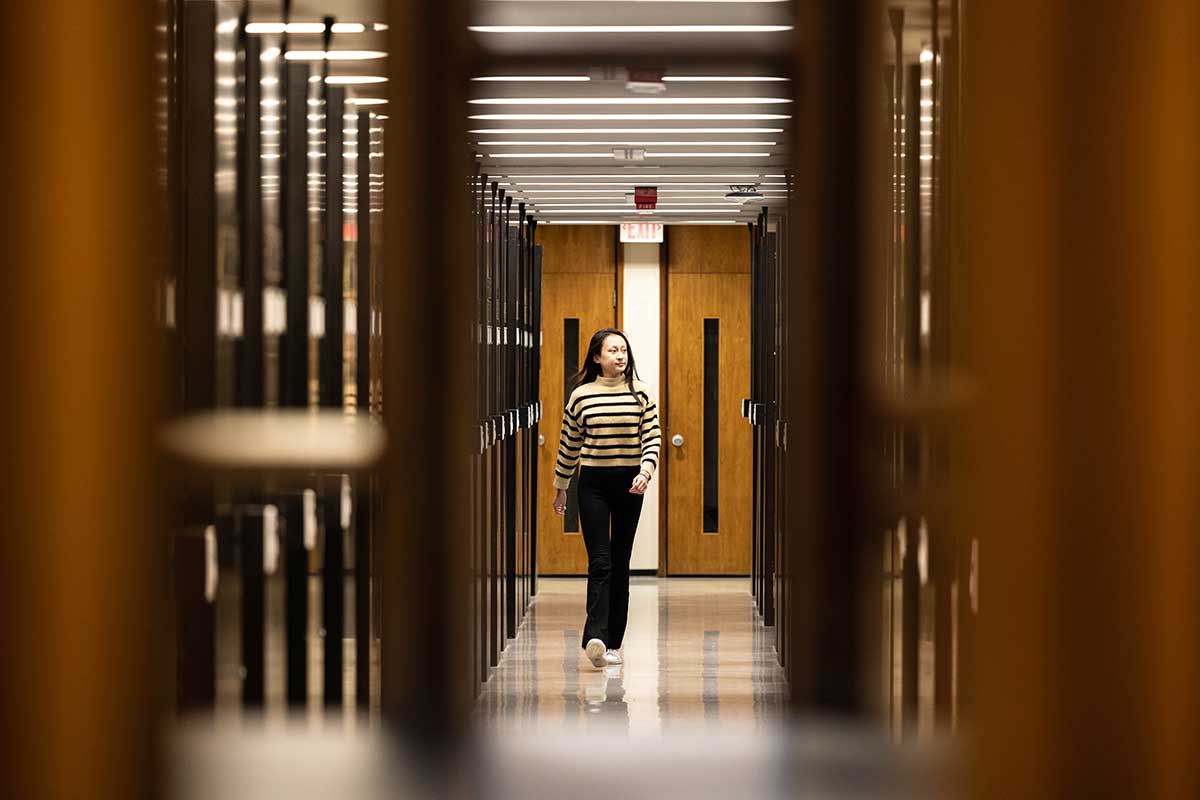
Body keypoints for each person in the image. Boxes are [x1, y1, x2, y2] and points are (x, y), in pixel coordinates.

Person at [552, 328, 662, 669]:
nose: (620, 356)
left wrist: (646, 472)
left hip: (630, 482)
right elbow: (569, 444)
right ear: (597, 357)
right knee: (600, 562)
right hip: (593, 484)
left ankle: (613, 642)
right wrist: (561, 487)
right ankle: (594, 637)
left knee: (620, 560)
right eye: (613, 350)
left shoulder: (641, 393)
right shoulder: (581, 396)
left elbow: (652, 437)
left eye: (624, 351)